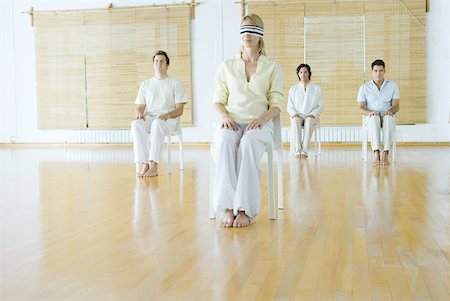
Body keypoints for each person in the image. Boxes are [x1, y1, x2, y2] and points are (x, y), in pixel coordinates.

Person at [212, 14, 284, 228]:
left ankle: (244, 209)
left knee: (249, 144)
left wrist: (262, 119)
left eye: (252, 30)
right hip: (231, 121)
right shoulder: (226, 65)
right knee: (225, 142)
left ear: (261, 34)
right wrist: (224, 117)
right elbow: (217, 101)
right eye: (243, 30)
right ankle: (226, 207)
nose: (247, 35)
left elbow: (277, 104)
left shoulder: (273, 67)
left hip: (259, 123)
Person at [131, 50, 188, 177]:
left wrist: (168, 114)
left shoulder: (175, 83)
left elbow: (180, 109)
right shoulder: (146, 84)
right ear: (153, 64)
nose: (159, 63)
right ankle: (145, 163)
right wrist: (139, 112)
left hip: (170, 119)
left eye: (162, 61)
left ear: (167, 65)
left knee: (157, 123)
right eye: (156, 61)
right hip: (151, 117)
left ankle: (154, 165)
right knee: (136, 124)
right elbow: (140, 105)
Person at [357, 59, 399, 166]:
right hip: (372, 117)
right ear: (372, 72)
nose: (378, 73)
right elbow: (360, 108)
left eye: (381, 71)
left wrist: (390, 111)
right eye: (375, 71)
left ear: (384, 71)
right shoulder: (364, 88)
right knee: (374, 118)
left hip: (387, 115)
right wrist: (370, 112)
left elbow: (396, 105)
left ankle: (385, 153)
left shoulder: (393, 86)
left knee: (389, 119)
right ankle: (376, 152)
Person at [287, 64, 324, 159]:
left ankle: (304, 150)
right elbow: (289, 106)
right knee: (295, 120)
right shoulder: (293, 89)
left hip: (311, 116)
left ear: (309, 73)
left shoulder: (317, 88)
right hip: (298, 115)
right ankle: (297, 150)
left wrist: (312, 114)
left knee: (309, 121)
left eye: (305, 72)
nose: (303, 74)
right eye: (301, 72)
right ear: (298, 74)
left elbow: (320, 106)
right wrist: (294, 115)